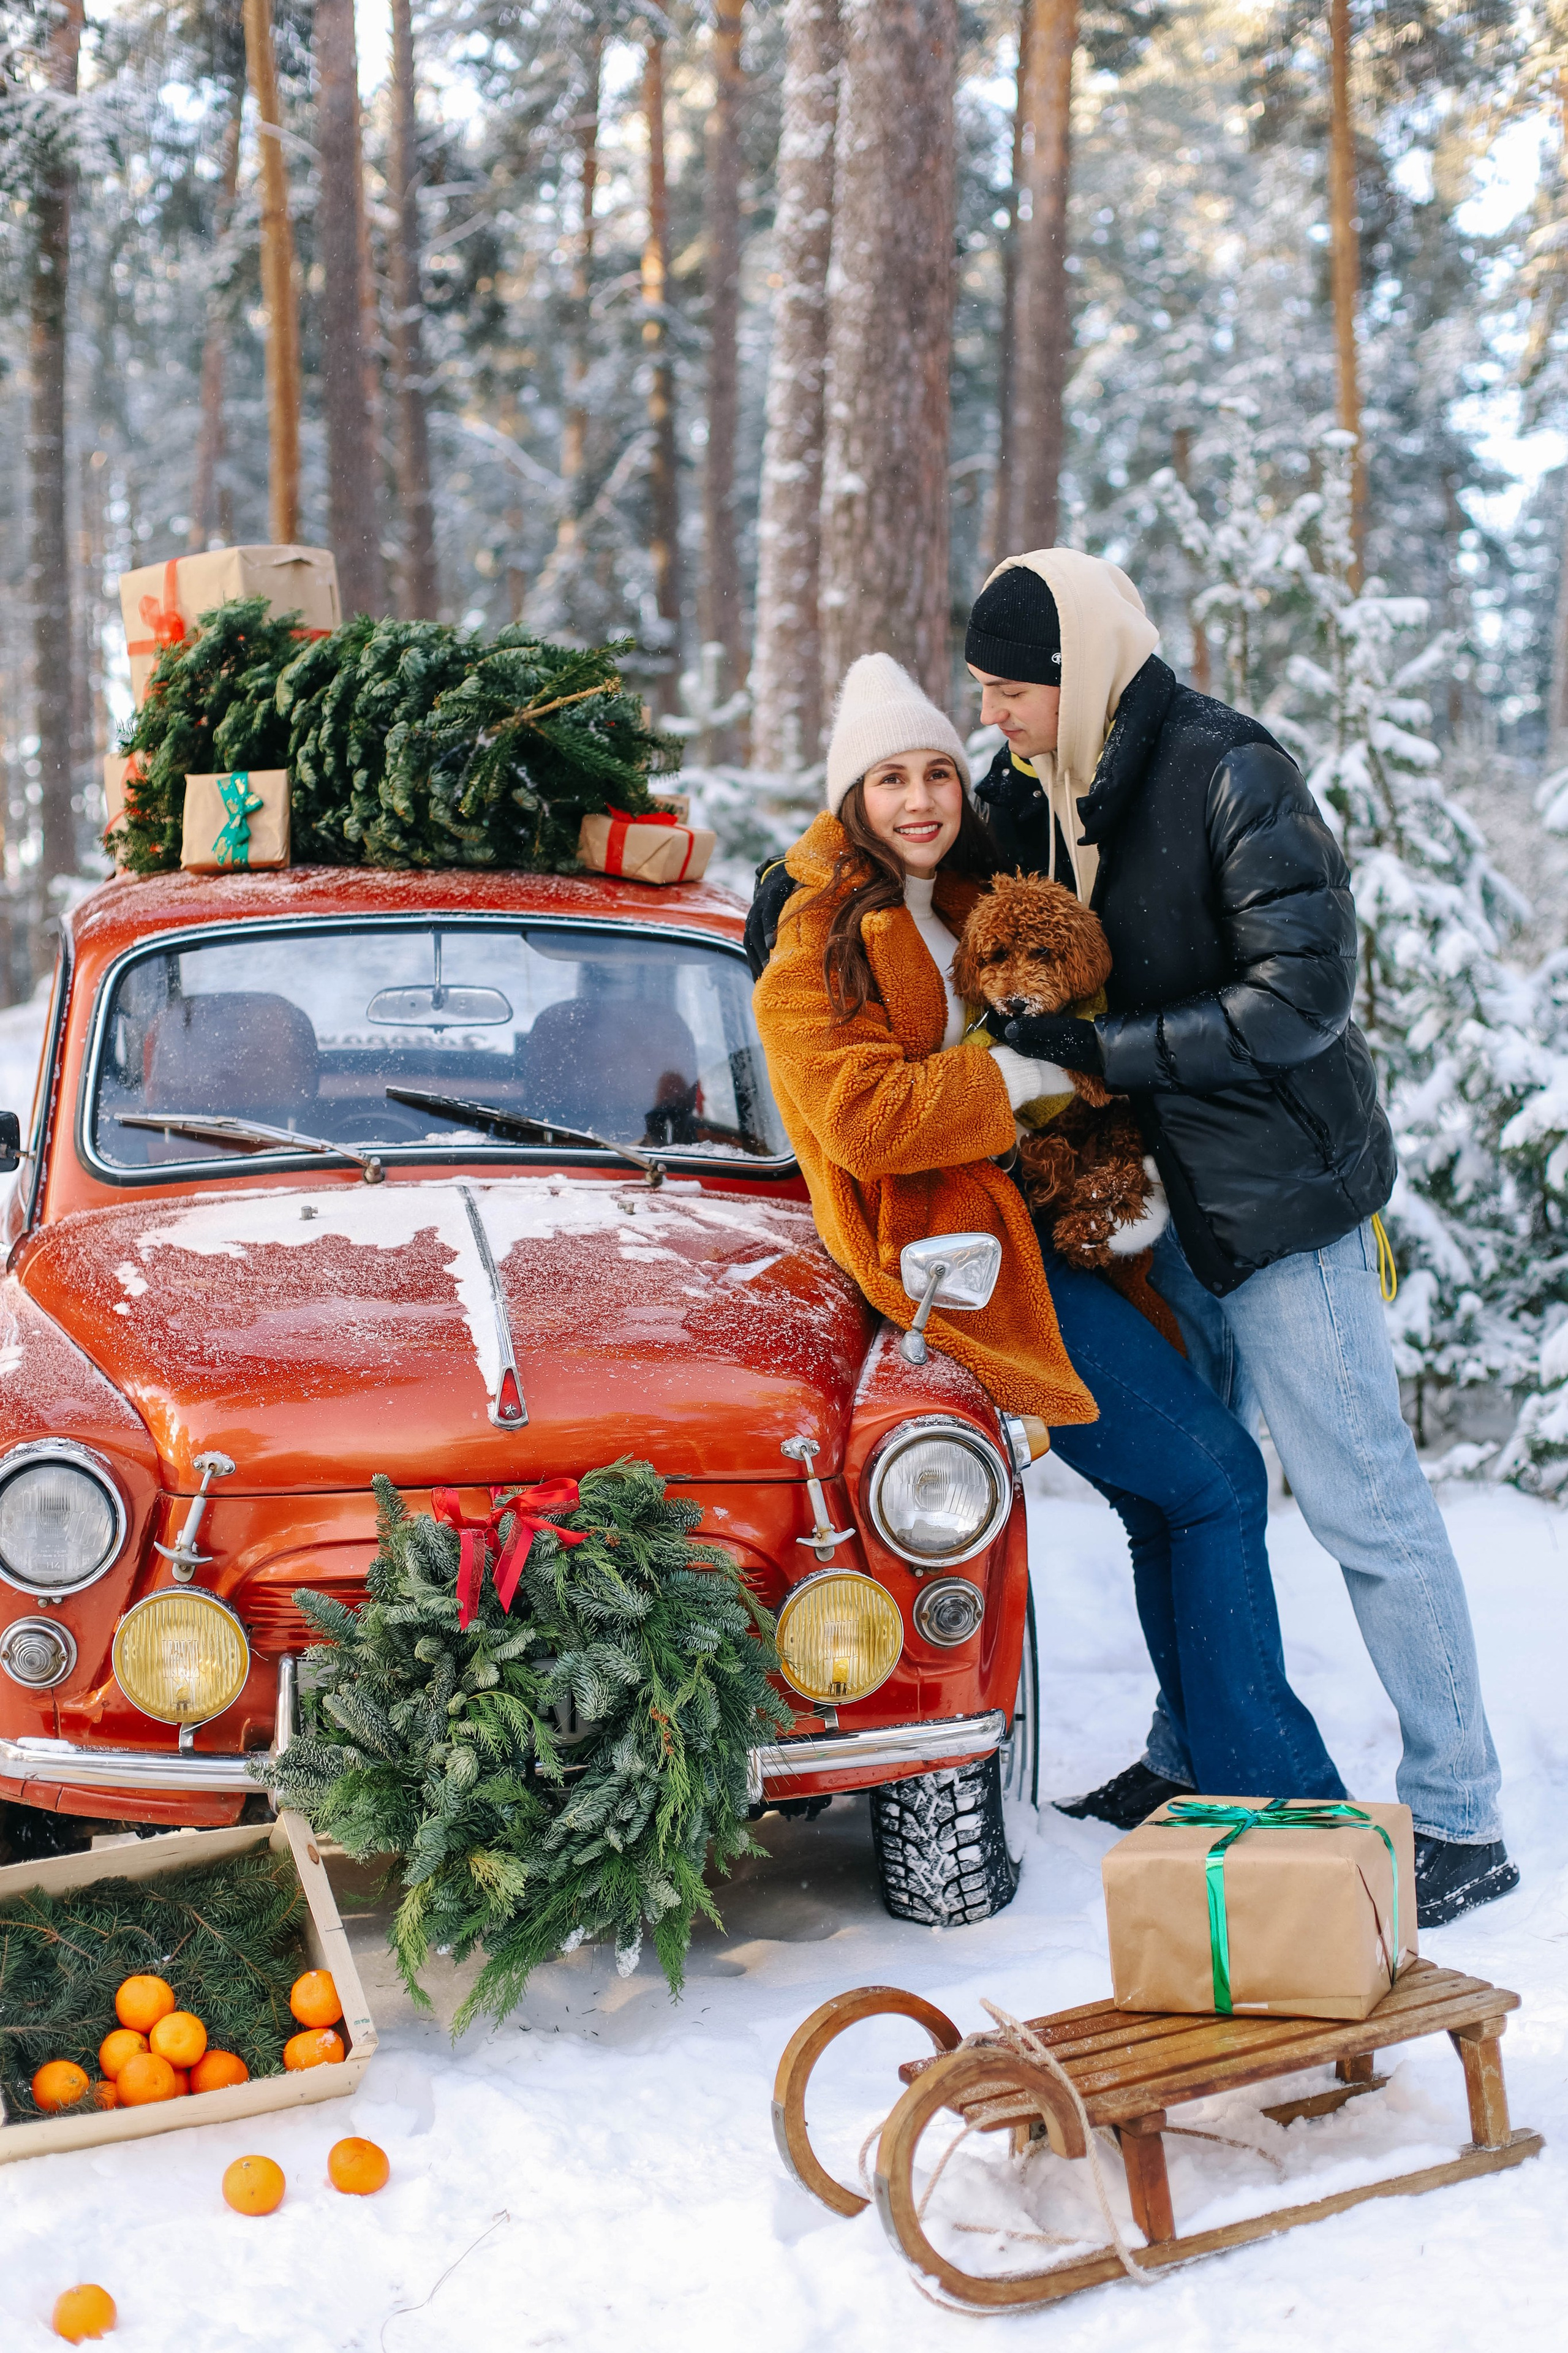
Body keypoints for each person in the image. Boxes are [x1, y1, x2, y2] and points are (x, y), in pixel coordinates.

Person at [961, 548, 1516, 1927]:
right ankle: (1189, 1748)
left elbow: (1301, 995)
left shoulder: (1226, 768)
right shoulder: (1037, 785)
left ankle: (1459, 1812)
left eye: (1007, 692)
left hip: (1273, 1202)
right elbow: (928, 870)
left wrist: (1105, 1048)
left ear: (1073, 673)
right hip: (1146, 1209)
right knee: (1194, 1496)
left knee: (1362, 1503)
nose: (990, 717)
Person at [752, 649, 1348, 1806]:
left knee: (1162, 1494)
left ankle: (1196, 1773)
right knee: (1218, 1476)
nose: (921, 799)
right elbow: (867, 1119)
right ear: (851, 799)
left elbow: (1080, 1004)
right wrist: (1028, 1068)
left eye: (938, 772)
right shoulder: (810, 941)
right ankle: (1274, 1789)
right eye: (890, 781)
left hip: (1053, 1224)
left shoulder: (977, 900)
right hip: (955, 1263)